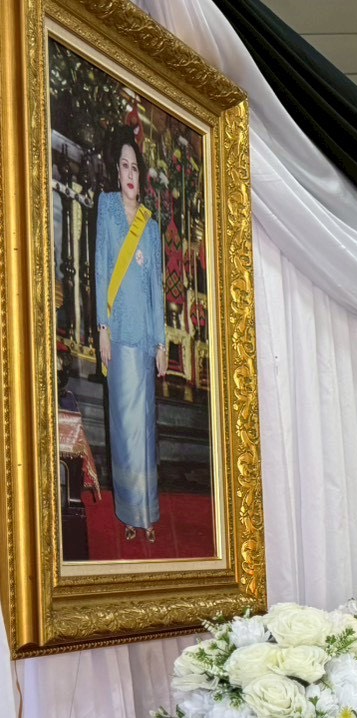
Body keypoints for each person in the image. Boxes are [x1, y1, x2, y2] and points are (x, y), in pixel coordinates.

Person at [94, 128, 166, 544]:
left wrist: (161, 344)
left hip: (143, 338)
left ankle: (148, 514)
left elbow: (156, 286)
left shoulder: (150, 226)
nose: (129, 173)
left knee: (145, 427)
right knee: (123, 426)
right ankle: (127, 513)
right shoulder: (106, 209)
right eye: (123, 165)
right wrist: (102, 328)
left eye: (134, 166)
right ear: (115, 170)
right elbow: (103, 267)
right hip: (118, 332)